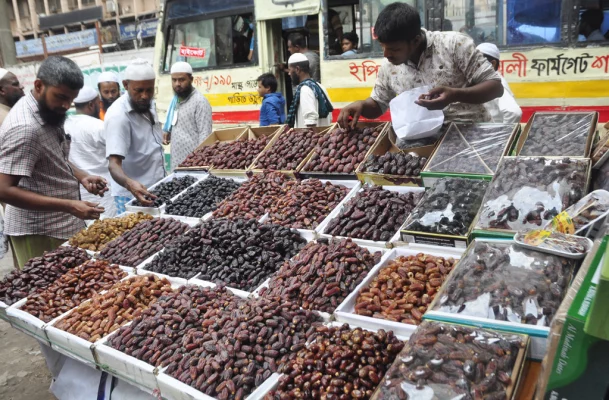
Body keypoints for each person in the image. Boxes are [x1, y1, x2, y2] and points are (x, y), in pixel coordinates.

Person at [0, 56, 107, 267]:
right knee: (45, 295)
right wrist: (69, 206)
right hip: (40, 231)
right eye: (60, 97)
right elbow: (4, 190)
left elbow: (52, 157)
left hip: (62, 225)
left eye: (71, 99)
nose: (66, 105)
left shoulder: (46, 110)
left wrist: (82, 176)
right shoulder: (25, 128)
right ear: (39, 86)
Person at [338, 2, 503, 129]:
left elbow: (495, 87)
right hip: (421, 144)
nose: (386, 54)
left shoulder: (454, 45)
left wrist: (455, 95)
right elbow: (379, 104)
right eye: (383, 47)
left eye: (394, 49)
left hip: (469, 136)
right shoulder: (388, 66)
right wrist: (362, 105)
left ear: (416, 41)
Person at [106, 59, 165, 213]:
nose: (145, 96)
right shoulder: (118, 116)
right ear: (126, 85)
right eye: (138, 90)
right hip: (131, 195)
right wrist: (129, 184)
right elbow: (113, 164)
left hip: (156, 186)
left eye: (149, 90)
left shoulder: (147, 103)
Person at [64, 86, 117, 218]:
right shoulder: (98, 126)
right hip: (103, 190)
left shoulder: (65, 125)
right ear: (91, 104)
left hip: (80, 192)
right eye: (99, 103)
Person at [163, 61, 213, 172]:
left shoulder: (200, 102)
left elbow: (205, 137)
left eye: (181, 80)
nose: (177, 84)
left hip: (193, 165)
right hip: (176, 162)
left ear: (191, 79)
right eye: (174, 80)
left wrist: (198, 163)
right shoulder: (176, 100)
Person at [476, 43, 522, 124]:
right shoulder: (485, 80)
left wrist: (503, 134)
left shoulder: (493, 83)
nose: (471, 66)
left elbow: (514, 112)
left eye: (476, 62)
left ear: (493, 64)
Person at [286, 53, 333, 128]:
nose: (289, 73)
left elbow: (310, 122)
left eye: (290, 70)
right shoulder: (320, 86)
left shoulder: (305, 90)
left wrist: (311, 138)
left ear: (297, 69)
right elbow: (330, 117)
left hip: (311, 138)